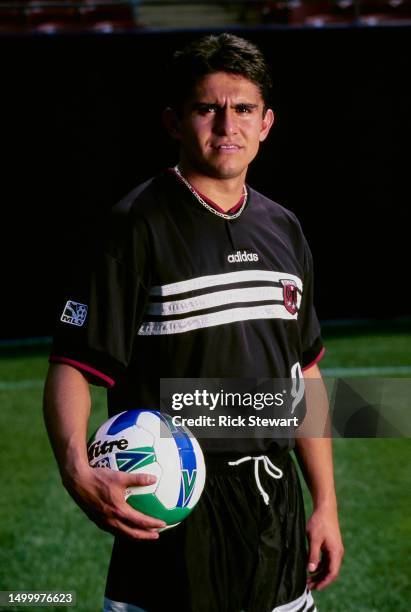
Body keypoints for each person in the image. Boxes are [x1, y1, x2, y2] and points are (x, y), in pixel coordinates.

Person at [43, 33, 344, 612]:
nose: (226, 125)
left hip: (273, 514)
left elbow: (303, 378)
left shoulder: (285, 230)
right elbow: (74, 366)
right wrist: (76, 472)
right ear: (174, 121)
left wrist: (325, 502)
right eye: (207, 108)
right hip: (169, 516)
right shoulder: (134, 227)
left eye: (244, 109)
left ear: (266, 123)